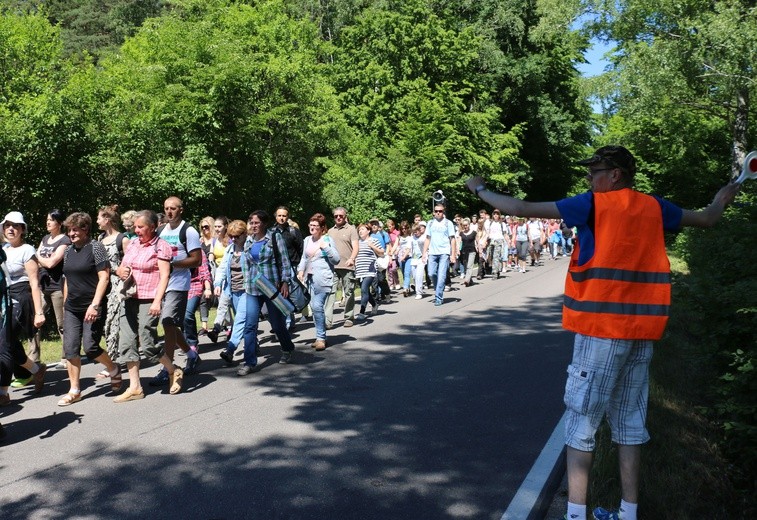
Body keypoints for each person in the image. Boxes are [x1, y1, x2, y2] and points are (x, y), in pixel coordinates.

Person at [465, 145, 741, 520]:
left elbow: (519, 208)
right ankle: (628, 513)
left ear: (615, 175)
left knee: (581, 423)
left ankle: (575, 515)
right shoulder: (655, 207)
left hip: (601, 332)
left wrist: (480, 189)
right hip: (641, 333)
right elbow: (708, 219)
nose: (589, 178)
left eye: (595, 171)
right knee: (629, 423)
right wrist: (723, 197)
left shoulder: (595, 204)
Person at [57, 212, 122, 405]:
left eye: (75, 230)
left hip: (91, 305)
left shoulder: (96, 247)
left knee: (91, 346)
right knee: (70, 349)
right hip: (72, 308)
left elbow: (104, 277)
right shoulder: (68, 251)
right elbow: (67, 278)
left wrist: (95, 305)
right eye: (69, 230)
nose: (71, 234)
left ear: (85, 229)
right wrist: (66, 304)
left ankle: (113, 368)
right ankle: (75, 389)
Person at [113, 210, 172, 402]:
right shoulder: (132, 244)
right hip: (130, 297)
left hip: (149, 298)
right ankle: (135, 387)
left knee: (148, 343)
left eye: (141, 227)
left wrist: (157, 301)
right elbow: (122, 267)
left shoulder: (161, 246)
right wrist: (120, 271)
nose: (136, 230)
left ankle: (172, 369)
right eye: (135, 227)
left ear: (152, 227)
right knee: (127, 342)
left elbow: (164, 275)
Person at [235, 210, 297, 373]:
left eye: (256, 223)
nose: (253, 226)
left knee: (277, 324)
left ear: (264, 223)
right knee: (250, 325)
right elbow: (246, 265)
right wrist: (244, 282)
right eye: (251, 223)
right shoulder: (249, 241)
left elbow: (284, 261)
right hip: (252, 288)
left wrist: (285, 281)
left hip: (271, 286)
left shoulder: (275, 238)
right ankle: (249, 362)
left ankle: (287, 347)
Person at [150, 196, 202, 388]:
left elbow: (196, 260)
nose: (169, 212)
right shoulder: (161, 231)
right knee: (170, 325)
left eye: (173, 208)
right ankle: (191, 354)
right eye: (166, 208)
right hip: (161, 284)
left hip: (179, 284)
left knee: (167, 322)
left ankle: (167, 369)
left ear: (181, 210)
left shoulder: (189, 231)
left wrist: (172, 264)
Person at [0, 211, 48, 400]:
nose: (11, 229)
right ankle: (37, 370)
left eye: (16, 226)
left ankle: (2, 392)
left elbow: (34, 283)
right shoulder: (2, 248)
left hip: (21, 299)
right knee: (10, 344)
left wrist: (38, 312)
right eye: (8, 225)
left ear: (22, 230)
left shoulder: (27, 250)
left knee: (3, 344)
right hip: (4, 299)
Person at [297, 213, 340, 351]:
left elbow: (336, 259)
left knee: (317, 307)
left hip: (323, 279)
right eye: (311, 225)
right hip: (309, 279)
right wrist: (300, 271)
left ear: (322, 228)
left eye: (315, 225)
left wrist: (325, 247)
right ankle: (319, 336)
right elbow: (304, 257)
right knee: (315, 309)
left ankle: (321, 338)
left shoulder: (327, 239)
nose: (312, 227)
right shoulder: (307, 240)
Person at [35, 209, 71, 369]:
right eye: (47, 219)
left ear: (60, 223)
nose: (48, 222)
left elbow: (52, 263)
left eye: (51, 220)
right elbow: (35, 259)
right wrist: (41, 260)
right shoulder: (44, 239)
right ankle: (34, 358)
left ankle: (67, 357)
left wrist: (40, 260)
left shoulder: (65, 240)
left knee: (62, 324)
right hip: (42, 286)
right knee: (34, 321)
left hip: (58, 287)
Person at [96, 205, 130, 369]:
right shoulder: (99, 239)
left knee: (113, 321)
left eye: (99, 218)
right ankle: (113, 357)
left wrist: (118, 272)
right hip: (102, 284)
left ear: (107, 220)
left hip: (117, 286)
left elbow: (129, 263)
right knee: (103, 323)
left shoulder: (122, 239)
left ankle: (113, 361)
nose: (97, 221)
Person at [214, 220, 253, 368]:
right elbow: (223, 268)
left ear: (244, 234)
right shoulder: (230, 248)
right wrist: (218, 284)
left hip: (247, 290)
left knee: (240, 320)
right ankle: (253, 345)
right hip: (232, 289)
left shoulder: (250, 247)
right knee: (247, 321)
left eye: (237, 236)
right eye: (232, 236)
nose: (234, 239)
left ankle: (230, 349)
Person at [325, 207, 359, 328]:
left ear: (345, 217)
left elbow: (355, 247)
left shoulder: (351, 229)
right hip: (333, 267)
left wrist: (352, 258)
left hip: (347, 266)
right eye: (336, 216)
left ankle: (349, 317)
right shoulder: (330, 231)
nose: (338, 218)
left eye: (341, 216)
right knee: (330, 293)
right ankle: (327, 321)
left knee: (349, 292)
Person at [273, 206, 304, 330]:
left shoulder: (293, 231)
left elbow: (301, 249)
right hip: (277, 268)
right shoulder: (272, 232)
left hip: (293, 266)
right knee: (281, 294)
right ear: (276, 217)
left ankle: (290, 319)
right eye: (279, 215)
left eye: (284, 215)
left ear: (288, 217)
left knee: (291, 293)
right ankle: (287, 319)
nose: (282, 218)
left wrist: (301, 268)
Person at [422, 204, 457, 306]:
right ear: (434, 212)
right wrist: (424, 253)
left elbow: (453, 239)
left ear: (443, 212)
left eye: (440, 211)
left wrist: (453, 254)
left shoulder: (448, 223)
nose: (438, 213)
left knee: (441, 276)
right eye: (436, 211)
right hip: (432, 252)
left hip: (444, 252)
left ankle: (438, 297)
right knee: (431, 274)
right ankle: (438, 289)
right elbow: (427, 238)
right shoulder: (430, 223)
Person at [354, 223, 384, 320]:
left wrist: (372, 246)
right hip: (359, 270)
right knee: (366, 290)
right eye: (359, 230)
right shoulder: (357, 242)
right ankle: (374, 304)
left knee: (363, 289)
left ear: (368, 231)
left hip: (370, 270)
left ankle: (362, 312)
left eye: (362, 229)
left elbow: (382, 252)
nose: (360, 231)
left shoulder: (373, 240)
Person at [458, 218, 478, 287]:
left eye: (466, 225)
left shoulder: (474, 232)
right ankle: (470, 280)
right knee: (466, 266)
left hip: (472, 251)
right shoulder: (461, 233)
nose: (465, 226)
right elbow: (459, 242)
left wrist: (479, 250)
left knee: (470, 266)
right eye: (464, 225)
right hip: (464, 251)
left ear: (469, 225)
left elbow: (477, 242)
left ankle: (466, 280)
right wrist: (457, 250)